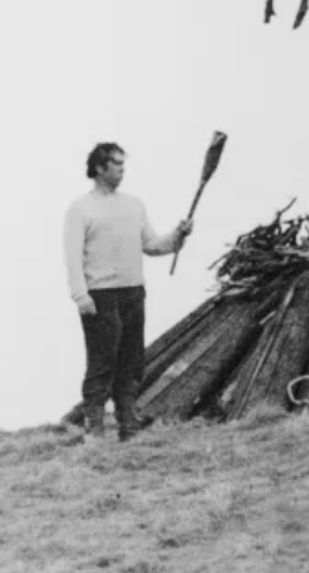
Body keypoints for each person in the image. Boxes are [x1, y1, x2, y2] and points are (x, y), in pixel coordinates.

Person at [64, 142, 191, 440]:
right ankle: (94, 429)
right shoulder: (80, 209)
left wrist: (178, 235)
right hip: (100, 296)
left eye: (123, 163)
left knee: (131, 363)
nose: (123, 169)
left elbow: (153, 245)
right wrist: (80, 295)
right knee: (102, 364)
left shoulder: (134, 204)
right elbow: (72, 257)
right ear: (99, 167)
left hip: (134, 292)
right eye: (117, 163)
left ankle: (128, 427)